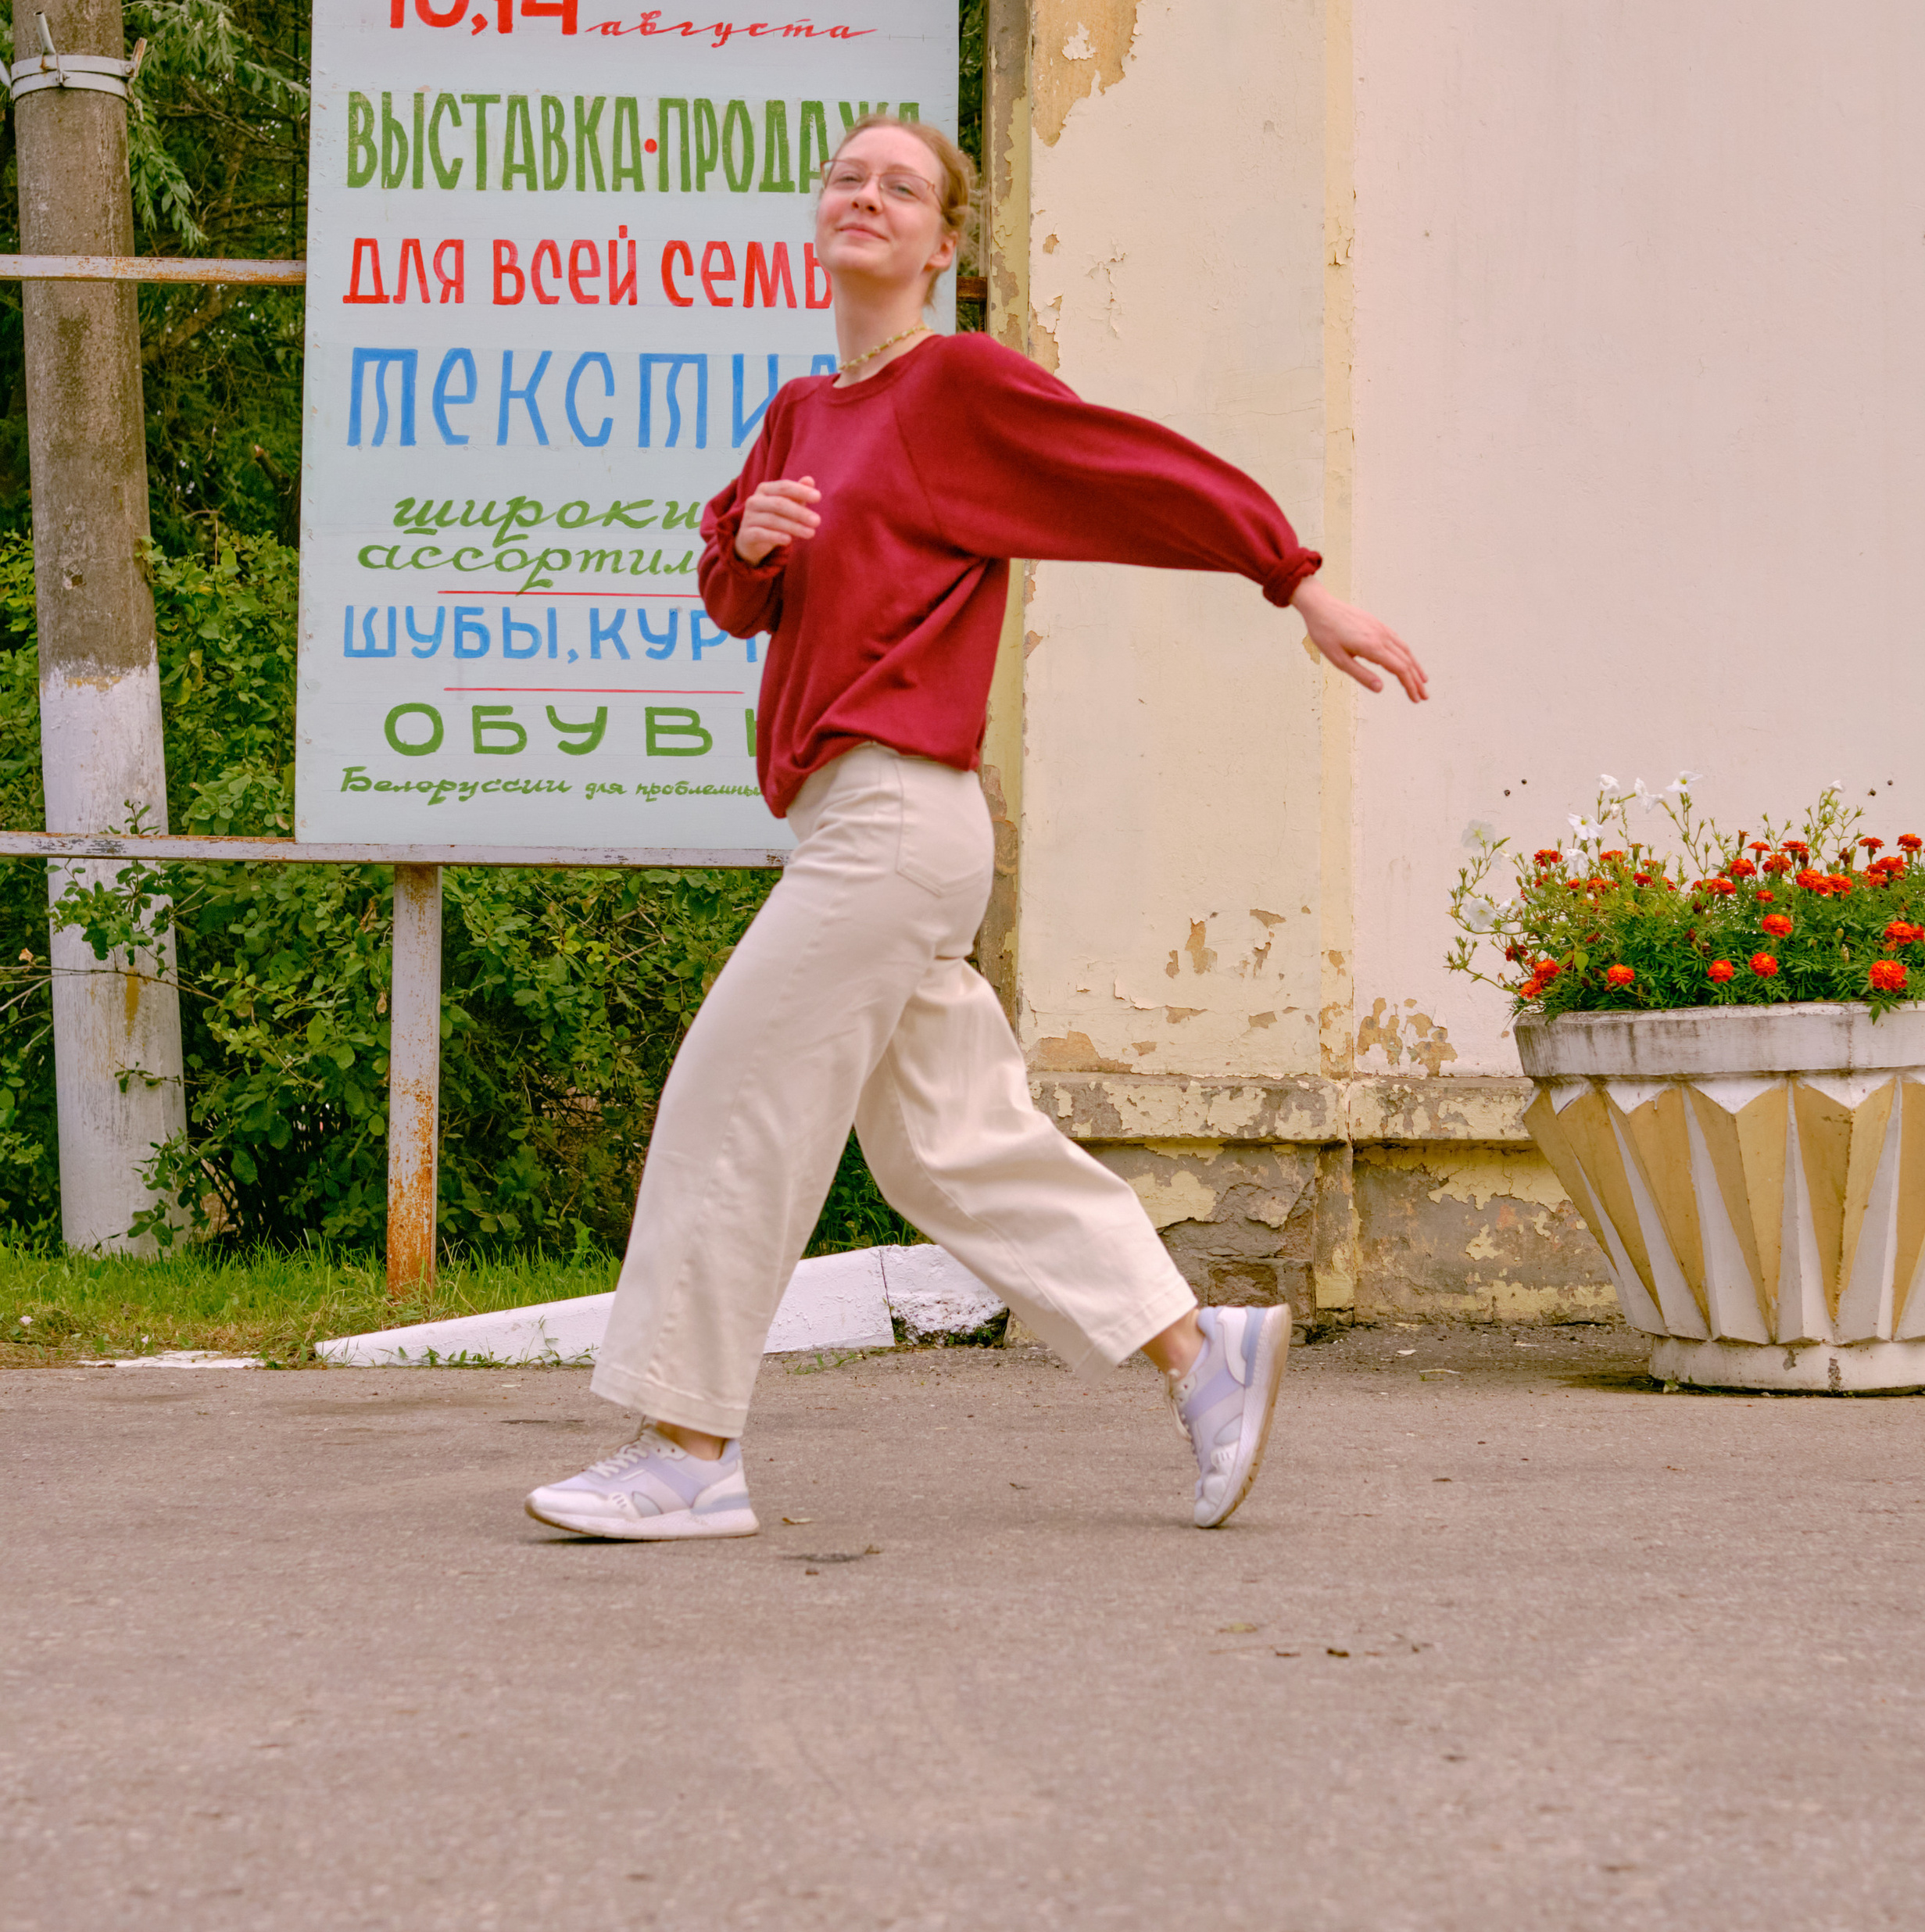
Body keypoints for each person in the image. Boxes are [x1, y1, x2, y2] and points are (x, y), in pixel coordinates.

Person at [527, 116, 1426, 1544]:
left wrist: (1291, 577)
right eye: (848, 177)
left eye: (902, 187)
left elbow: (1127, 468)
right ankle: (1200, 1354)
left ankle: (688, 1451)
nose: (866, 196)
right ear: (821, 213)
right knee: (951, 1144)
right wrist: (747, 546)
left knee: (730, 1099)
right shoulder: (802, 414)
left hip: (895, 814)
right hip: (856, 818)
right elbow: (739, 597)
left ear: (944, 242)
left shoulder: (954, 387)